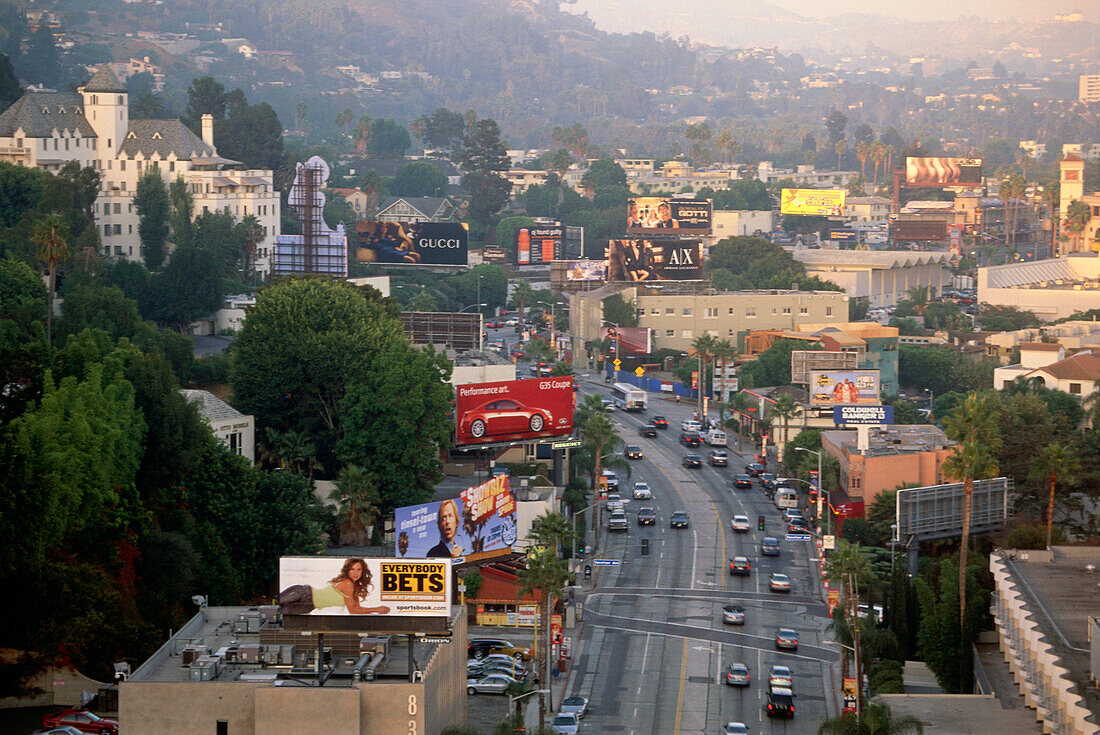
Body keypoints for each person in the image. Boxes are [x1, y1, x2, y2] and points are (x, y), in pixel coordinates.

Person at [279, 558, 390, 615]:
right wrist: (377, 609)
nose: (356, 573)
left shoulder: (354, 587)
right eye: (352, 569)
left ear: (363, 571)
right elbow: (353, 609)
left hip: (308, 606)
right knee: (273, 604)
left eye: (359, 569)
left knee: (277, 614)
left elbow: (356, 610)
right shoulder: (347, 583)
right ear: (347, 570)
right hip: (304, 593)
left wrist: (377, 610)